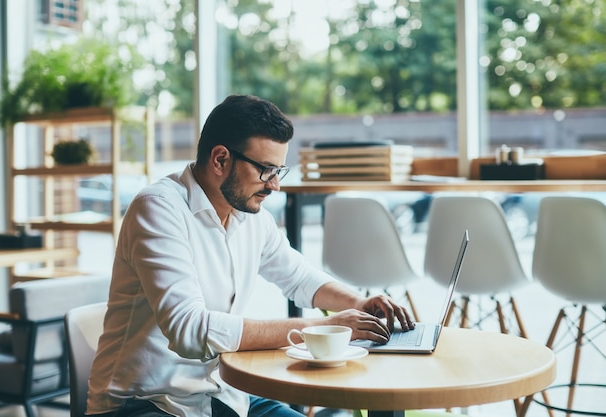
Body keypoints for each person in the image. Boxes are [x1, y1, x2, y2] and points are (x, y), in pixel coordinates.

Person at [86, 94, 415, 417]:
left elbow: (299, 277)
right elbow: (189, 330)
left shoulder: (251, 218)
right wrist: (323, 327)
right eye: (266, 170)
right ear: (220, 160)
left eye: (278, 171)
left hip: (224, 396)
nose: (275, 186)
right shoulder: (158, 208)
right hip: (146, 402)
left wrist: (358, 304)